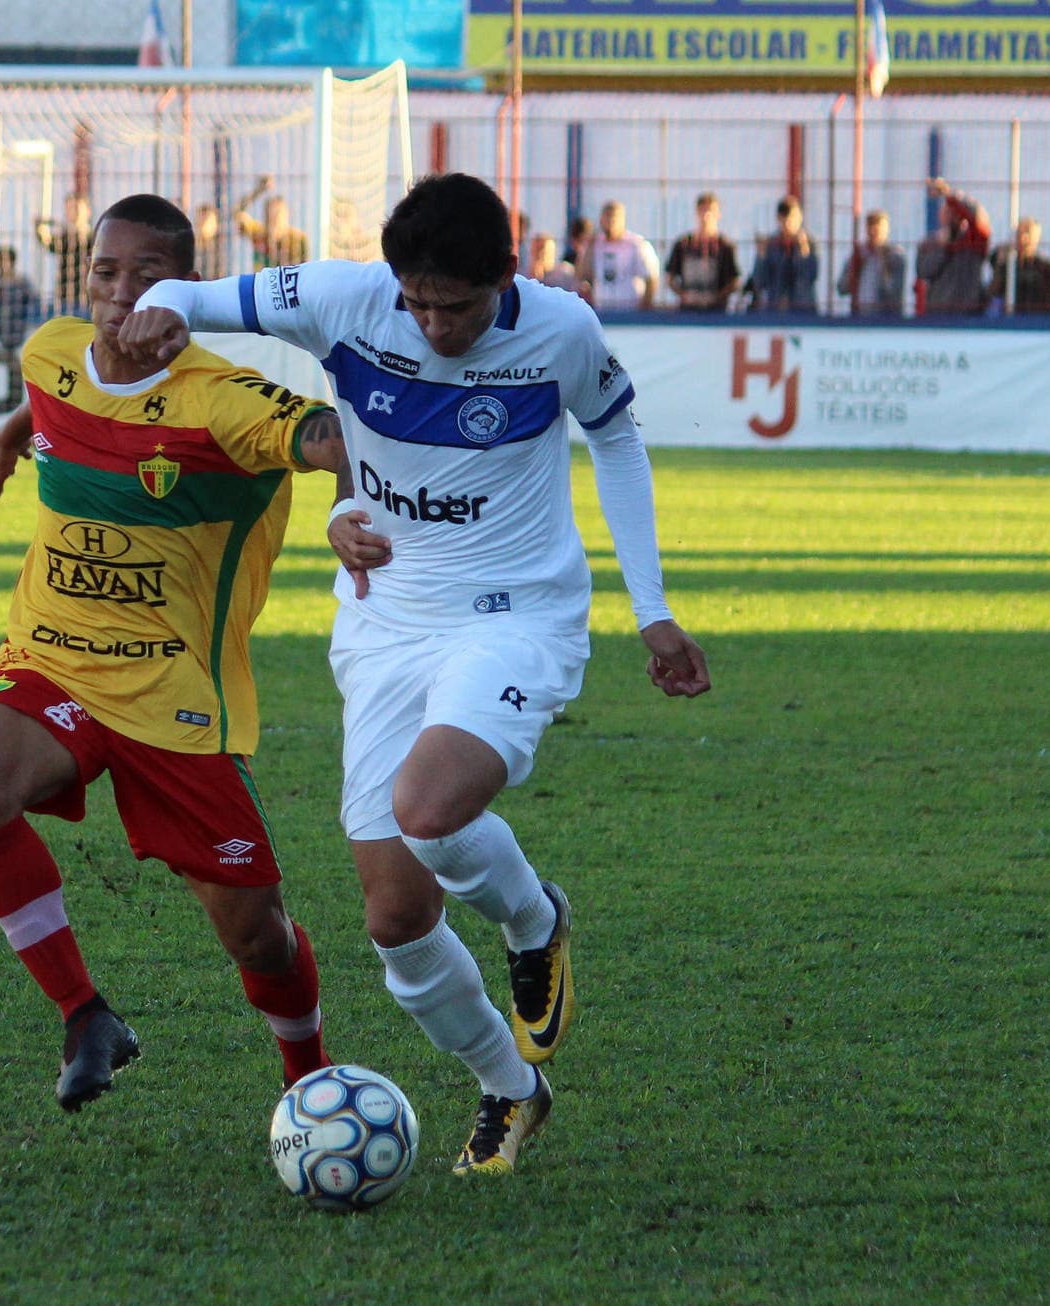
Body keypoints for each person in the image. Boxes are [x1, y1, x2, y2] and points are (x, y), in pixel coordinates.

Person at [118, 171, 710, 1176]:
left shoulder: (558, 331)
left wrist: (650, 609)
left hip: (515, 619)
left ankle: (535, 920)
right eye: (418, 301)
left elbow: (613, 435)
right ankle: (510, 1088)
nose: (434, 324)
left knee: (428, 808)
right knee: (394, 918)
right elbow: (197, 294)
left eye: (459, 306)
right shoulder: (344, 298)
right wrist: (158, 314)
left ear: (504, 282)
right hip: (383, 626)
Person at [0, 194, 348, 1114]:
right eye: (104, 271)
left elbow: (329, 439)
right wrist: (18, 432)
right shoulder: (49, 353)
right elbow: (59, 399)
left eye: (147, 275)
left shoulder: (224, 403)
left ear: (189, 288)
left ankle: (309, 1079)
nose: (121, 293)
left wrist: (358, 502)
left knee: (259, 939)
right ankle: (86, 1014)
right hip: (54, 659)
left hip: (177, 698)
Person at [915, 178, 990, 316]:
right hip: (937, 313)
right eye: (947, 212)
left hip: (969, 313)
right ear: (940, 215)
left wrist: (949, 194)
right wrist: (943, 248)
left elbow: (976, 215)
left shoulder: (974, 241)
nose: (951, 216)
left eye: (955, 212)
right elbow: (924, 272)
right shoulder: (929, 243)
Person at [663, 192, 741, 312]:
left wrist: (717, 297)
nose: (706, 216)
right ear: (696, 213)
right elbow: (669, 278)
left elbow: (735, 281)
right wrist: (684, 296)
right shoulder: (683, 244)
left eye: (710, 211)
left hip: (716, 313)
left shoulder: (725, 246)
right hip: (687, 311)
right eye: (702, 211)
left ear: (718, 214)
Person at [580, 200, 658, 311]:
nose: (610, 221)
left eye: (614, 217)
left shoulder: (636, 244)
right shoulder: (595, 244)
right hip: (602, 309)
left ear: (623, 220)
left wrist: (644, 309)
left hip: (630, 309)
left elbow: (651, 277)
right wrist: (589, 246)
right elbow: (582, 275)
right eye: (607, 217)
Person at [747, 195, 818, 313]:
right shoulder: (770, 245)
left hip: (803, 311)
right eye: (784, 218)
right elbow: (759, 281)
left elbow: (810, 277)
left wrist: (803, 254)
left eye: (792, 218)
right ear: (778, 219)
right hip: (774, 311)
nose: (788, 223)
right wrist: (761, 256)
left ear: (800, 218)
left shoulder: (809, 244)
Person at [838, 209, 907, 316]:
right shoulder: (859, 255)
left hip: (886, 319)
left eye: (878, 227)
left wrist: (883, 260)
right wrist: (857, 267)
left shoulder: (895, 256)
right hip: (860, 317)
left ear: (886, 230)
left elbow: (893, 292)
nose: (874, 232)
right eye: (871, 227)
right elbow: (842, 288)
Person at [33, 191, 94, 311]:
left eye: (76, 207)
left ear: (87, 211)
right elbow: (49, 243)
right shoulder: (65, 238)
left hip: (88, 298)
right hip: (66, 297)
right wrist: (39, 228)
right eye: (69, 208)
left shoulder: (96, 237)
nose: (72, 212)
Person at [989, 216, 1050, 315]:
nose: (1023, 238)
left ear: (1037, 238)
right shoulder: (1006, 266)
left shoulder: (1047, 268)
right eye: (1019, 233)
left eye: (1028, 232)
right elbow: (994, 292)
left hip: (1037, 320)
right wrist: (999, 264)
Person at [235, 177, 310, 269]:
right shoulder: (259, 233)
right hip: (262, 282)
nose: (273, 219)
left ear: (287, 214)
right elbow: (237, 213)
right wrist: (259, 191)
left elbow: (305, 270)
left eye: (277, 214)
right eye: (269, 214)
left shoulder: (298, 239)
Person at [0, 245, 39, 350]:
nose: (3, 265)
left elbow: (34, 300)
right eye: (0, 261)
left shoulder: (22, 283)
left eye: (7, 261)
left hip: (19, 330)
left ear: (13, 262)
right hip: (0, 330)